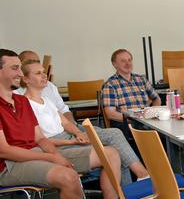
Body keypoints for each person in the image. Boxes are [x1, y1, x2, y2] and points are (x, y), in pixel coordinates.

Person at [0, 49, 119, 199]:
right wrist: (53, 158)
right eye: (14, 68)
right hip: (10, 165)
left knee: (110, 153)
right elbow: (5, 151)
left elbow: (39, 137)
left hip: (38, 153)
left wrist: (55, 155)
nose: (20, 73)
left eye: (20, 68)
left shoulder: (21, 101)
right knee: (68, 176)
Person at [24, 59, 150, 188]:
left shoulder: (45, 99)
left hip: (68, 136)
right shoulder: (25, 104)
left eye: (44, 72)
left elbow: (66, 123)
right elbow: (40, 140)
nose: (44, 75)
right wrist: (72, 141)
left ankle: (135, 186)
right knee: (114, 148)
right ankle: (140, 179)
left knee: (115, 135)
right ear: (26, 79)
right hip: (57, 145)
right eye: (38, 73)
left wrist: (78, 133)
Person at [101, 48, 161, 139]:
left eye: (129, 60)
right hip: (127, 125)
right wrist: (135, 118)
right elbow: (111, 114)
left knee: (168, 132)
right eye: (123, 61)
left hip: (147, 122)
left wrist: (152, 113)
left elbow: (156, 99)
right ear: (115, 64)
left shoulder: (141, 79)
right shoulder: (110, 85)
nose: (128, 64)